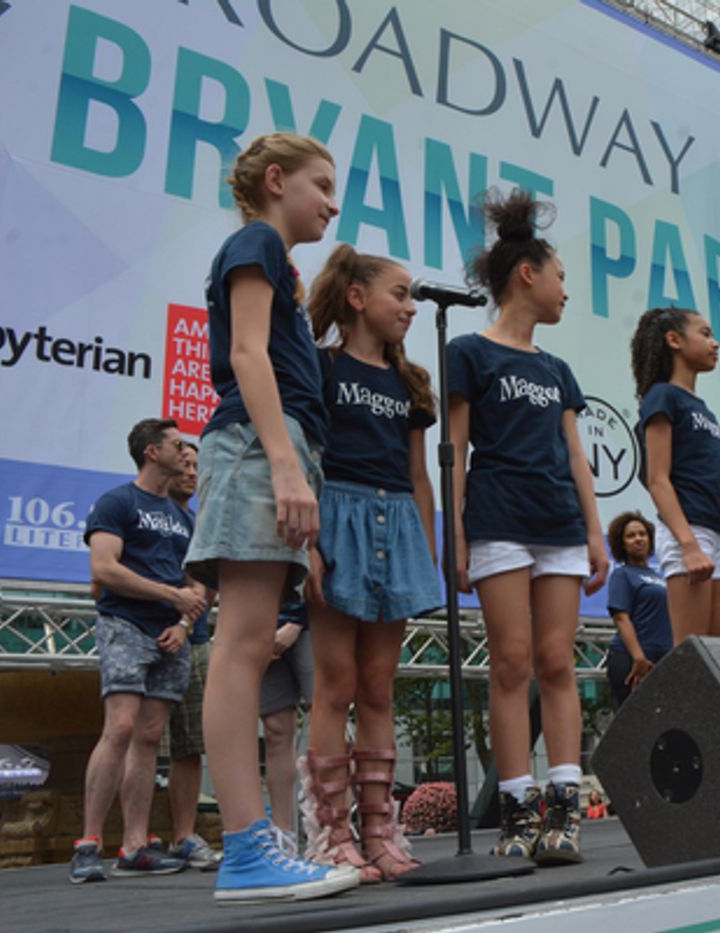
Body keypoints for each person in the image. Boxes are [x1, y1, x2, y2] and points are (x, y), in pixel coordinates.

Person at [184, 132, 359, 903]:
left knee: (248, 643)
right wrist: (285, 462)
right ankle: (250, 848)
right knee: (243, 645)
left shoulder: (278, 265)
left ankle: (258, 844)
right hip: (260, 443)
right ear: (276, 179)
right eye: (321, 185)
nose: (332, 202)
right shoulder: (253, 240)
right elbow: (249, 356)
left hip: (278, 446)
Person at [446, 189, 608, 865]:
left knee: (557, 662)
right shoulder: (468, 353)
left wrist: (596, 531)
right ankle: (516, 809)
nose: (568, 291)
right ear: (527, 275)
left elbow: (576, 454)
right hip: (499, 519)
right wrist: (455, 534)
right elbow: (452, 449)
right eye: (562, 276)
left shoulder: (557, 369)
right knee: (510, 663)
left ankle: (564, 807)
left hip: (560, 524)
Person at [299, 244, 441, 882]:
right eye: (400, 294)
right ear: (357, 298)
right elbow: (306, 457)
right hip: (338, 516)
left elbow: (419, 476)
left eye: (413, 297)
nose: (411, 307)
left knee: (380, 686)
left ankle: (381, 830)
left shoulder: (411, 383)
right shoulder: (321, 367)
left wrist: (427, 550)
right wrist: (308, 544)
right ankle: (330, 834)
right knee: (334, 685)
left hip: (398, 523)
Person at [72, 418, 202, 883]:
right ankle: (87, 845)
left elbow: (199, 579)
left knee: (149, 738)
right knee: (121, 727)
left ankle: (134, 845)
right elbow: (103, 569)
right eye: (176, 445)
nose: (185, 453)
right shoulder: (118, 501)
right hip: (125, 625)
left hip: (171, 635)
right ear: (152, 451)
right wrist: (170, 597)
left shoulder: (185, 515)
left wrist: (185, 622)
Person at [631, 307, 720, 643]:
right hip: (691, 530)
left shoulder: (705, 410)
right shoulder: (662, 397)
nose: (715, 344)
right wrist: (689, 545)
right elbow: (657, 479)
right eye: (706, 334)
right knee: (693, 657)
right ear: (674, 340)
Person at [162, 440, 222, 870]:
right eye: (183, 462)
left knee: (189, 745)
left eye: (196, 466)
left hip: (194, 638)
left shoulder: (202, 520)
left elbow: (207, 583)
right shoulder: (139, 509)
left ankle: (183, 835)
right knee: (138, 737)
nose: (190, 471)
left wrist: (185, 625)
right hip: (143, 630)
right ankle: (131, 840)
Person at [260, 601, 312, 858]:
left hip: (315, 621)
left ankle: (334, 829)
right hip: (263, 623)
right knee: (275, 730)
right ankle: (284, 834)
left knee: (328, 719)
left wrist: (297, 621)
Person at [605, 512, 672, 708]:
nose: (638, 539)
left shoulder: (660, 577)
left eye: (642, 534)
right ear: (622, 544)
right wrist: (639, 658)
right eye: (631, 536)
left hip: (662, 659)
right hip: (631, 659)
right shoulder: (622, 574)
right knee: (634, 727)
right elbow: (621, 617)